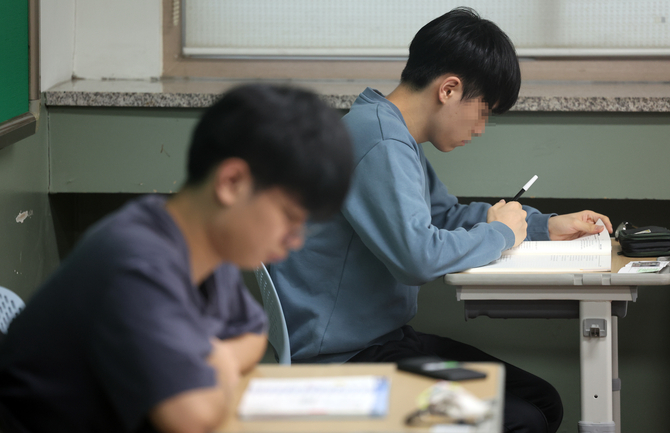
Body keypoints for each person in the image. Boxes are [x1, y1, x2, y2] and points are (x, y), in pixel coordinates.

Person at [269, 8, 612, 433]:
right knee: (521, 420)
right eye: (484, 111)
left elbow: (445, 216)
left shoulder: (390, 133)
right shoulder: (379, 141)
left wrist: (543, 226)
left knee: (541, 401)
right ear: (449, 89)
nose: (481, 128)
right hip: (343, 364)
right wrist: (501, 234)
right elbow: (418, 257)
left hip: (384, 343)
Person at [0, 84, 354, 433]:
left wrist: (222, 359)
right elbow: (191, 418)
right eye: (290, 217)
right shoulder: (137, 262)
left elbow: (254, 334)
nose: (295, 240)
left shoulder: (205, 245)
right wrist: (218, 362)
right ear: (231, 182)